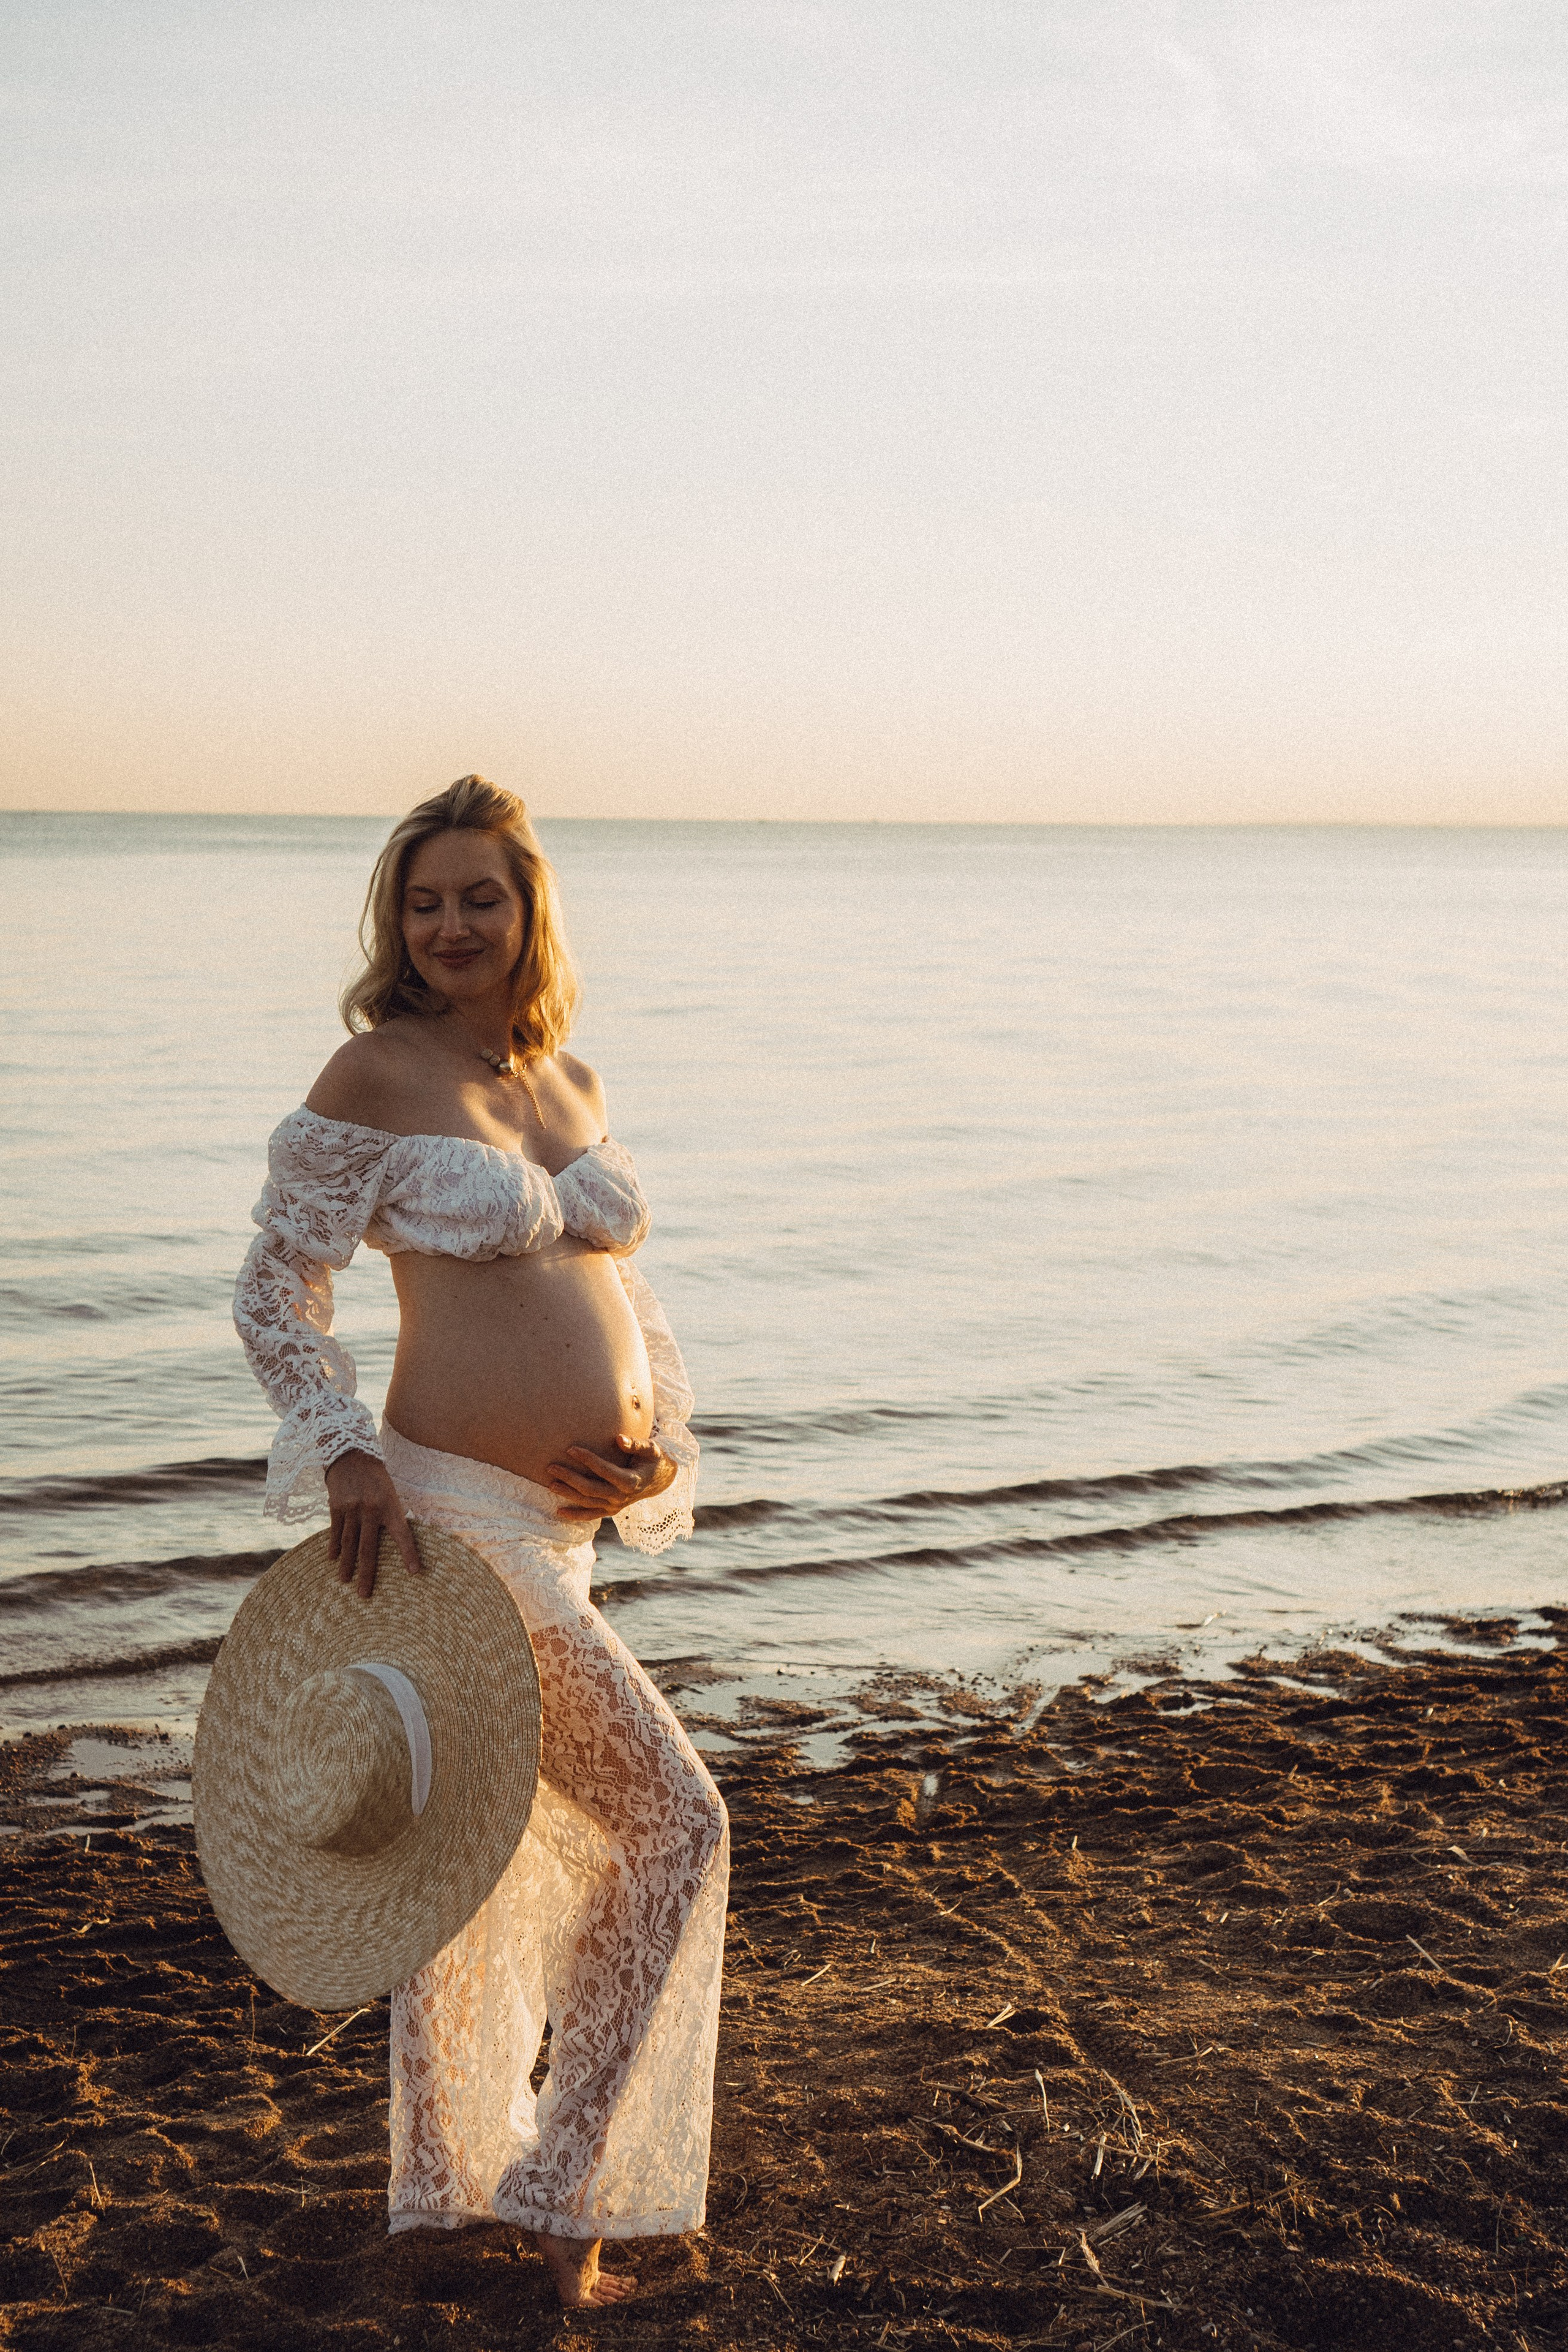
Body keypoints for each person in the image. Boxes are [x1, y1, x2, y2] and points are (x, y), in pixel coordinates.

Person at [233, 775, 728, 2309]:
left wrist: (652, 1440)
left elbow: (620, 1296)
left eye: (480, 898)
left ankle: (459, 2192)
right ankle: (566, 2207)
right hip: (450, 1519)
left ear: (529, 914)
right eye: (424, 901)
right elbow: (273, 1292)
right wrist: (346, 1454)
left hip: (558, 1529)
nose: (450, 924)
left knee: (488, 1859)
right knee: (676, 1821)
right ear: (398, 923)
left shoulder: (566, 1083)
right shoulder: (372, 1075)